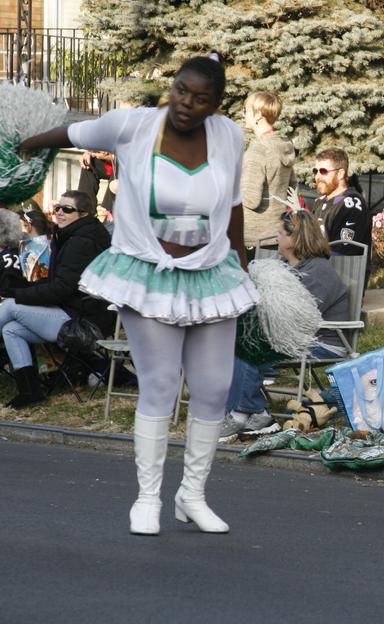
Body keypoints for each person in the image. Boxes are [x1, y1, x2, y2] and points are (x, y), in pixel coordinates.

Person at [19, 55, 259, 536]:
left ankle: (192, 495)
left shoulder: (229, 136)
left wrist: (243, 266)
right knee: (162, 384)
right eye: (180, 91)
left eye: (200, 98)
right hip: (145, 272)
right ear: (171, 87)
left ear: (216, 105)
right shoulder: (132, 126)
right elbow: (71, 134)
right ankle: (147, 498)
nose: (186, 104)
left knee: (213, 388)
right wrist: (25, 145)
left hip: (209, 271)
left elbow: (232, 206)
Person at [221, 209, 350, 441]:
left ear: (294, 239)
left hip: (325, 342)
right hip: (296, 336)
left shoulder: (318, 271)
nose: (277, 238)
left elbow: (295, 317)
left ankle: (242, 413)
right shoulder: (286, 269)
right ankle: (255, 413)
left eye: (280, 233)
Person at [0, 191, 113, 408]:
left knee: (12, 306)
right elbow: (58, 285)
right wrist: (20, 290)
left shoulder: (82, 241)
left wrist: (16, 294)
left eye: (67, 209)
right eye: (57, 208)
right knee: (11, 329)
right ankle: (30, 392)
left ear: (84, 213)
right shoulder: (74, 235)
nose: (59, 213)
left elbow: (61, 289)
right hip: (74, 311)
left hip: (84, 322)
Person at [241, 91, 297, 252]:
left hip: (253, 240)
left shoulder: (258, 150)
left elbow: (251, 199)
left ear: (258, 115)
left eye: (246, 110)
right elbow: (292, 187)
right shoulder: (284, 146)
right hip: (278, 236)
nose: (243, 115)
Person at [311, 147, 370, 257]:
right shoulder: (321, 201)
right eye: (315, 171)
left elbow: (343, 251)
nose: (317, 176)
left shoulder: (351, 204)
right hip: (316, 267)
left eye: (323, 171)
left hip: (343, 271)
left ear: (340, 173)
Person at [18, 209, 52, 284]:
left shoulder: (31, 249)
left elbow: (31, 279)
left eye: (19, 225)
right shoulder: (51, 244)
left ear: (28, 226)